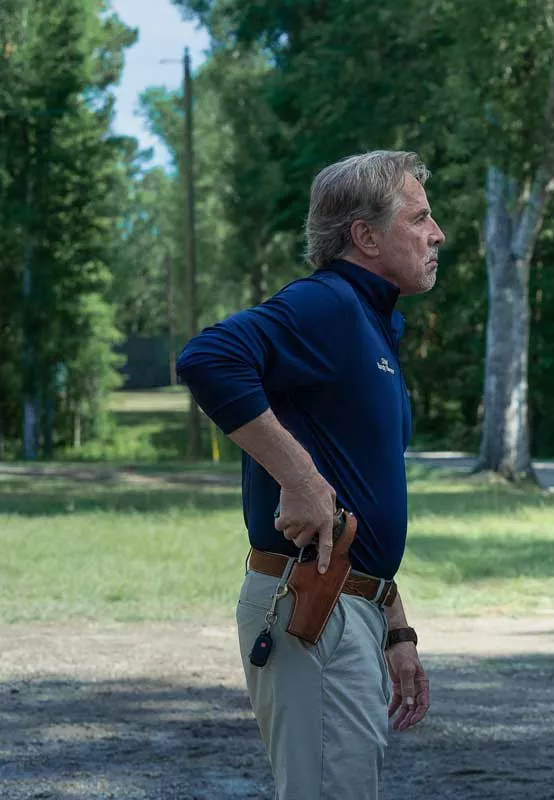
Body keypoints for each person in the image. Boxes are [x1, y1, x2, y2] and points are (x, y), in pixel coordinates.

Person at [176, 149, 445, 799]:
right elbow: (208, 357)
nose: (437, 234)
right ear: (366, 235)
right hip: (312, 608)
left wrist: (394, 622)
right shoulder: (328, 304)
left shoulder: (372, 326)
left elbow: (363, 490)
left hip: (351, 605)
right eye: (420, 217)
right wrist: (297, 476)